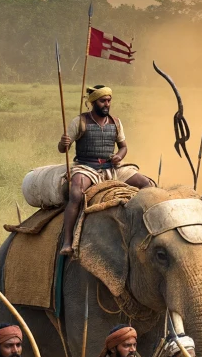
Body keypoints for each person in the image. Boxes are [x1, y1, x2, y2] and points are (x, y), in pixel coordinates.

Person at [56, 85, 155, 255]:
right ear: (93, 102)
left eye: (109, 100)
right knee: (76, 194)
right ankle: (67, 241)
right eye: (103, 101)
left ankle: (145, 228)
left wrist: (119, 156)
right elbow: (62, 149)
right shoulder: (80, 121)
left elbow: (123, 147)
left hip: (112, 168)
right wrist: (63, 143)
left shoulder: (115, 122)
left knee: (147, 185)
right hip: (87, 167)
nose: (107, 104)